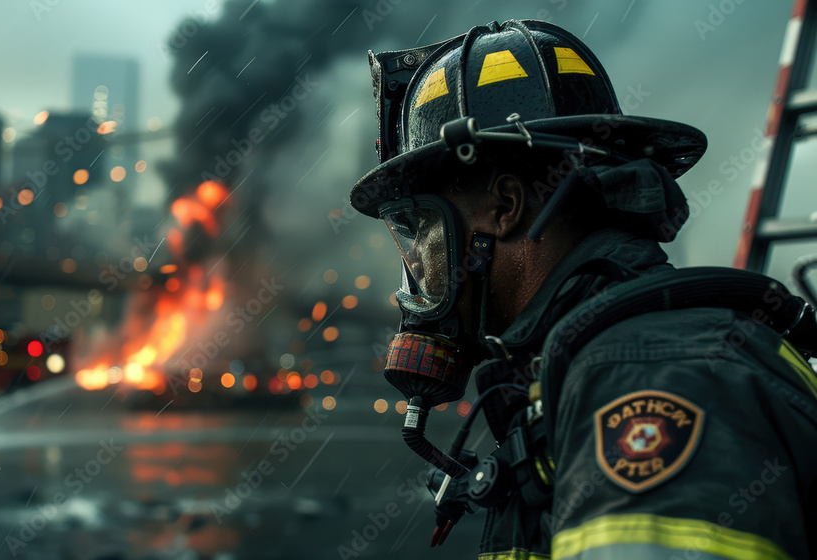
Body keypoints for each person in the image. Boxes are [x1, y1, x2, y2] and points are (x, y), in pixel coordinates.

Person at [348, 19, 817, 559]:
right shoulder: (590, 370)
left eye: (423, 226)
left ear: (504, 208)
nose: (419, 264)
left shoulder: (646, 375)